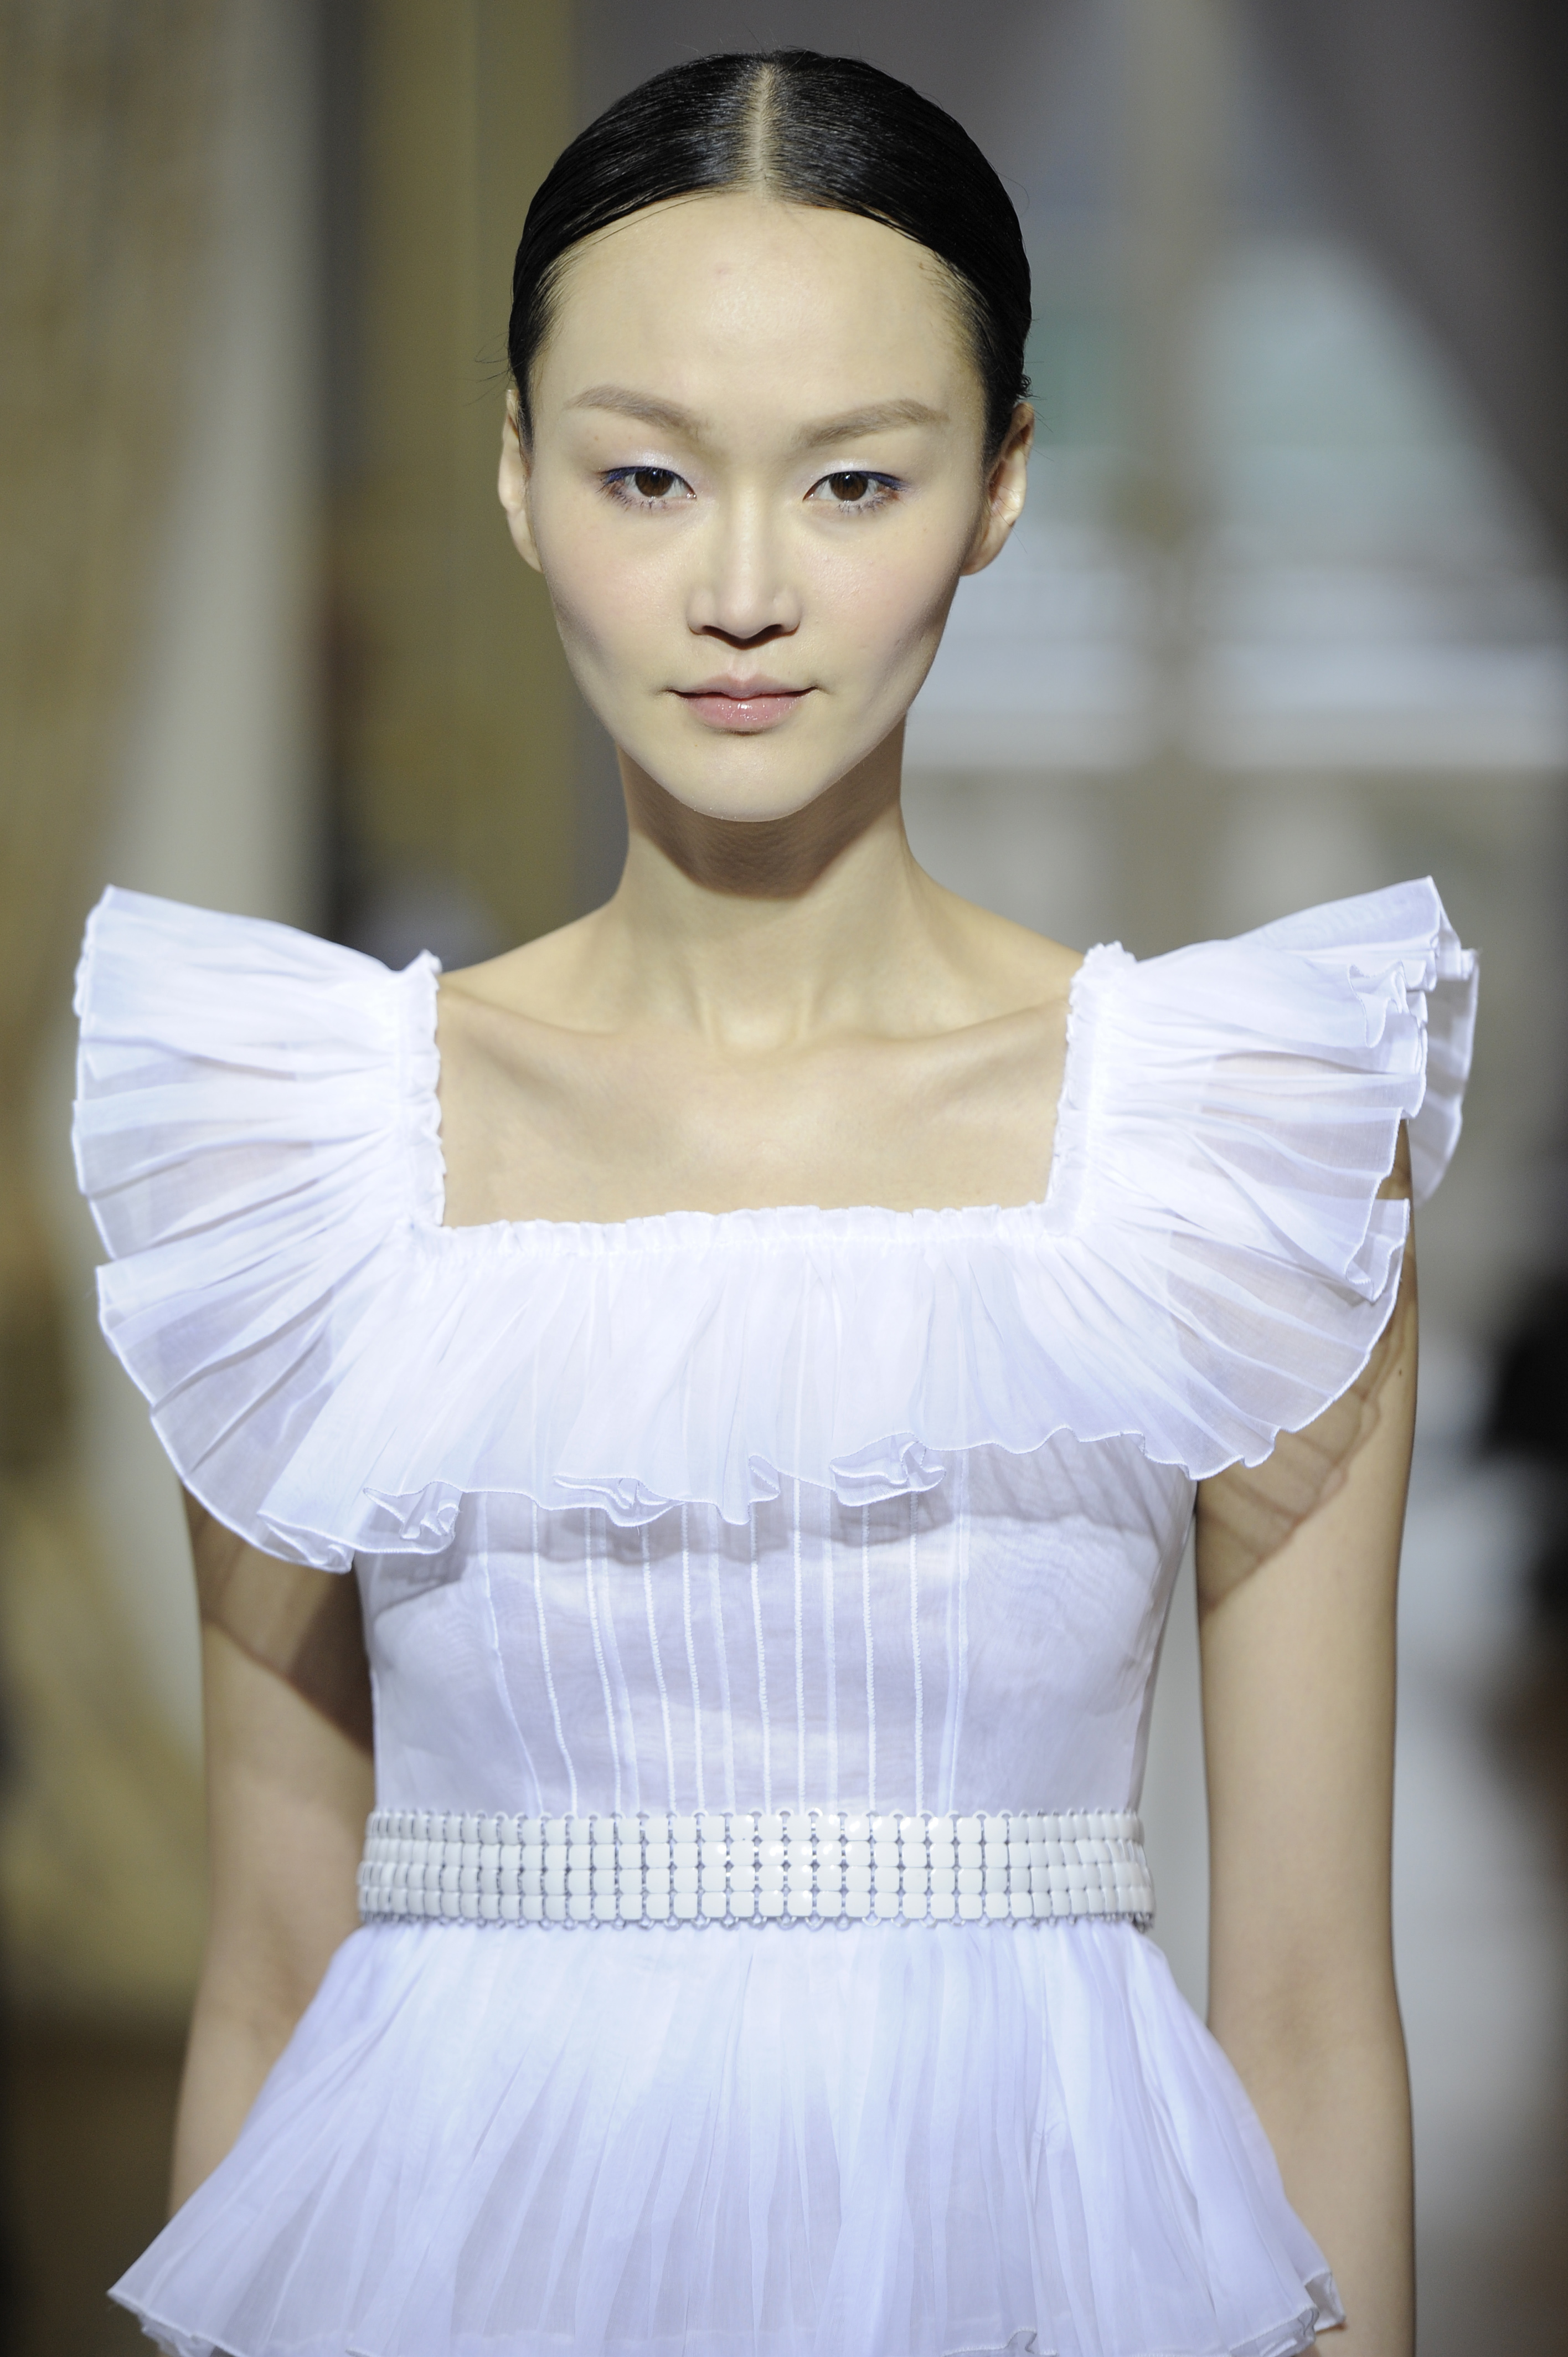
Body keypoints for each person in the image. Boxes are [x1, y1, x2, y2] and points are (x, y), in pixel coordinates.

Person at [74, 48, 1477, 2357]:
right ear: (518, 476)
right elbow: (270, 1971)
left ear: (1000, 484)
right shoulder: (307, 1156)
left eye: (852, 480)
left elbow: (1315, 2003)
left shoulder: (1228, 1148)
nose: (741, 590)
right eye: (645, 474)